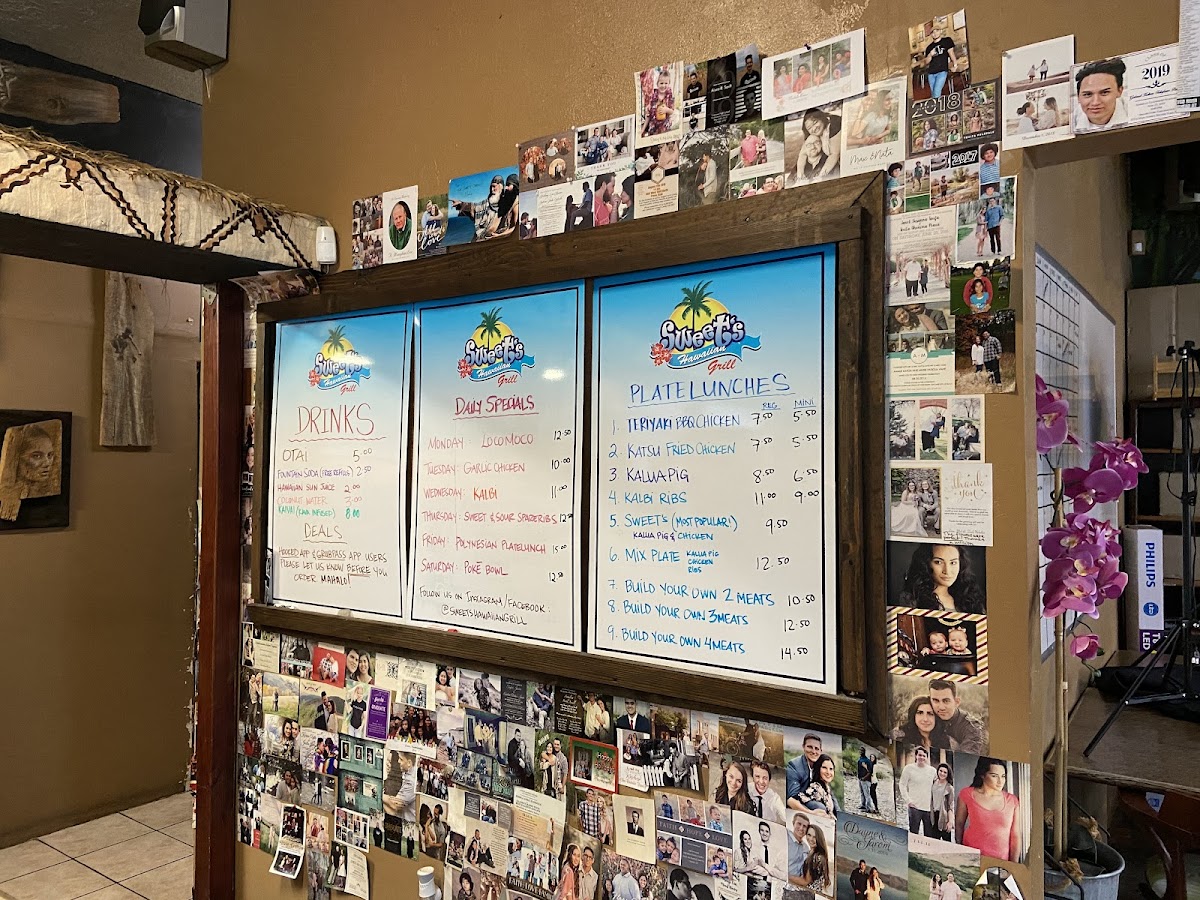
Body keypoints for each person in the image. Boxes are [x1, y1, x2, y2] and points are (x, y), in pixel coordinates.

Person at [957, 758, 1021, 861]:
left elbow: (1015, 835)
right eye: (994, 776)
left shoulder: (1012, 800)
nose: (1000, 781)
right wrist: (960, 851)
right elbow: (959, 824)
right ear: (983, 775)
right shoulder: (966, 794)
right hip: (972, 857)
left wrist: (1014, 864)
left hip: (1000, 861)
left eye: (1003, 776)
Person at [898, 544, 986, 613]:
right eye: (938, 562)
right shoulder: (912, 599)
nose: (947, 571)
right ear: (926, 564)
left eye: (953, 563)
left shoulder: (971, 599)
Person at [930, 680, 986, 752]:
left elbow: (966, 757)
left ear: (956, 702)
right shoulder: (925, 716)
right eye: (936, 700)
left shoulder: (971, 727)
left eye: (946, 701)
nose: (941, 707)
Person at [1074, 58, 1128, 131]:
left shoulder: (1134, 111)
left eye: (1104, 93)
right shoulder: (1071, 121)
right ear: (1078, 97)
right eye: (1088, 94)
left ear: (1119, 91)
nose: (1095, 102)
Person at [900, 746, 937, 834]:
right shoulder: (908, 768)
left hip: (928, 808)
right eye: (920, 755)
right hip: (914, 807)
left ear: (926, 757)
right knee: (913, 832)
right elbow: (902, 784)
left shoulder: (932, 771)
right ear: (916, 756)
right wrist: (908, 801)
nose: (922, 757)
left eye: (924, 756)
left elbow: (937, 787)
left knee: (929, 834)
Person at [787, 733, 825, 809]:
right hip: (799, 801)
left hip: (815, 797)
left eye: (816, 748)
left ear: (821, 751)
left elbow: (828, 790)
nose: (813, 751)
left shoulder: (821, 765)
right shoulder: (794, 765)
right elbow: (793, 796)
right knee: (820, 807)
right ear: (803, 747)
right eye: (810, 747)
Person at [923, 25, 959, 99]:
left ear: (940, 31)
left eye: (937, 31)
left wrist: (955, 65)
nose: (935, 33)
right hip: (931, 73)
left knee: (936, 92)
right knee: (934, 93)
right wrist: (930, 54)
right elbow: (926, 62)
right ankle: (938, 104)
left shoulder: (947, 41)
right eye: (933, 32)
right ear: (931, 35)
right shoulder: (929, 47)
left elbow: (951, 53)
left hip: (942, 71)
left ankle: (937, 105)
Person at [748, 760, 788, 825]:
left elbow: (785, 816)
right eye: (757, 776)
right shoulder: (746, 790)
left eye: (765, 778)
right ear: (752, 777)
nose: (761, 782)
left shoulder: (774, 798)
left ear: (769, 780)